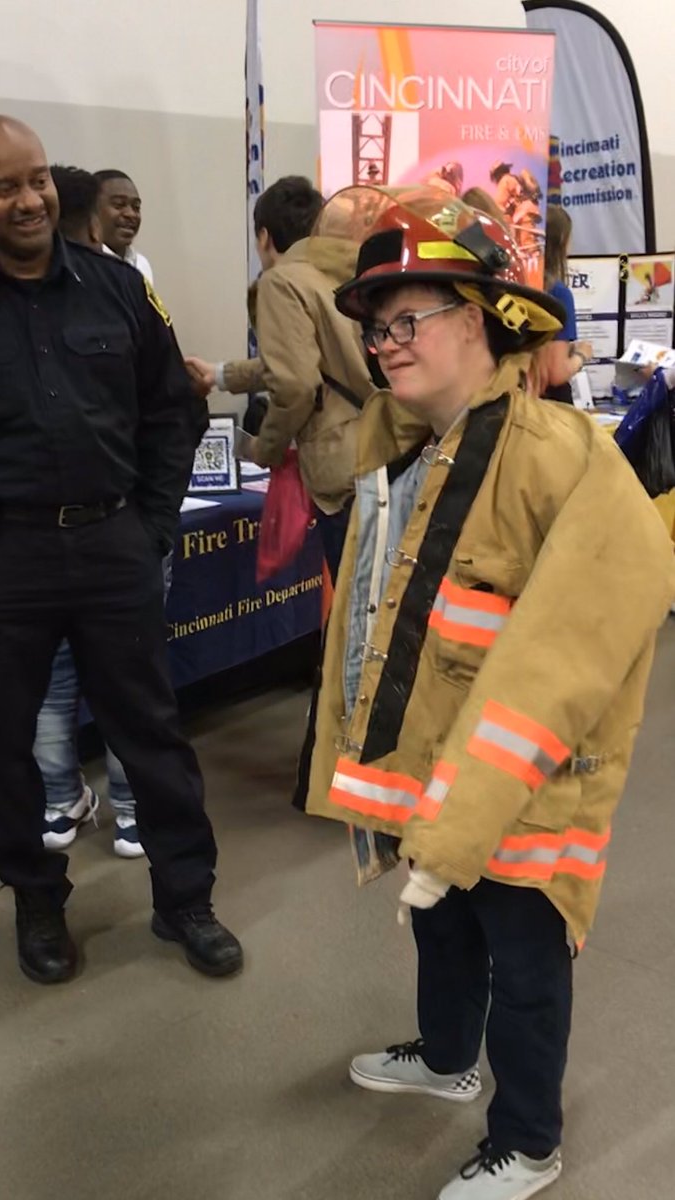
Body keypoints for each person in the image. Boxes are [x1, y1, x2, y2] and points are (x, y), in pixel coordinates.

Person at [303, 186, 675, 1199]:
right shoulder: (410, 451)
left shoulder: (565, 462)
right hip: (443, 773)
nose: (384, 344)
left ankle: (528, 1138)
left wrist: (465, 811)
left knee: (524, 953)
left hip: (528, 785)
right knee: (443, 925)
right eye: (375, 329)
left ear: (475, 319)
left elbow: (562, 658)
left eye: (407, 320)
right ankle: (444, 1056)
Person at [0, 115, 241, 985]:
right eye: (3, 186)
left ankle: (185, 901)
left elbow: (169, 415)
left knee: (153, 734)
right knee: (11, 748)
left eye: (36, 180)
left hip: (114, 547)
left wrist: (150, 524)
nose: (28, 199)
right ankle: (37, 903)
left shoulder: (119, 290)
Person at [33, 164, 160, 860]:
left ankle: (68, 804)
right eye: (119, 205)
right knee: (120, 677)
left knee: (71, 679)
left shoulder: (129, 284)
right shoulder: (119, 292)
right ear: (86, 220)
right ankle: (121, 810)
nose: (130, 216)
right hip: (105, 529)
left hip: (100, 530)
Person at [185, 175, 378, 581]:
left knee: (356, 608)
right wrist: (221, 375)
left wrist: (266, 450)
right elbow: (311, 361)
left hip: (337, 466)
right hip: (378, 448)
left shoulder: (281, 282)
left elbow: (296, 385)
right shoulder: (342, 274)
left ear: (264, 236)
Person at [538, 205, 593, 403]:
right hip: (553, 408)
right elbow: (556, 373)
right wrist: (581, 355)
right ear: (562, 241)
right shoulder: (558, 293)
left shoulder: (520, 287)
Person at [94, 169, 153, 283]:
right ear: (92, 211)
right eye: (119, 204)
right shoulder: (84, 267)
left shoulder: (141, 264)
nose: (131, 214)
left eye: (136, 207)